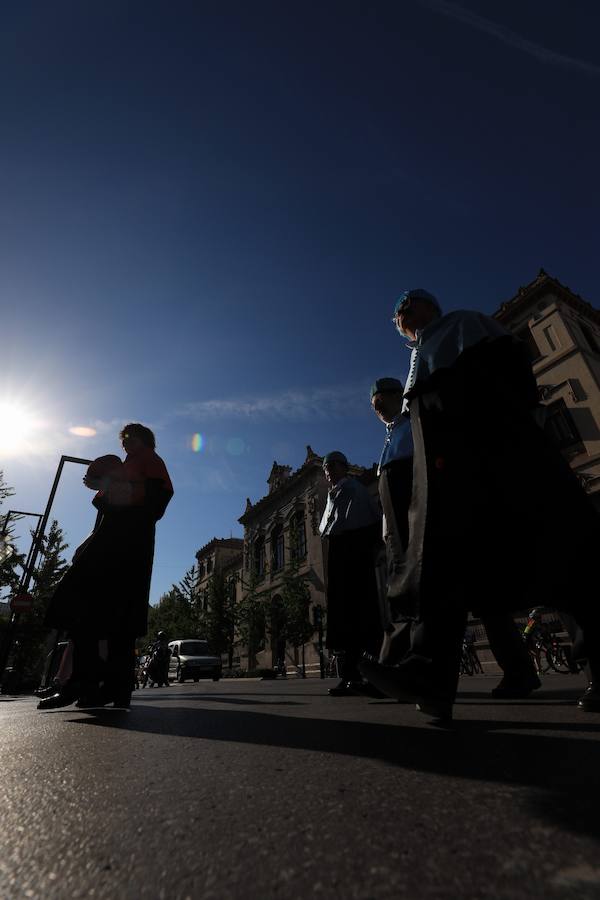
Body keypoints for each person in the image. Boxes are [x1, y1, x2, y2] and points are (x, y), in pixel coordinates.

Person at [361, 289, 600, 717]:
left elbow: (512, 379)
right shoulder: (419, 355)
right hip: (450, 470)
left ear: (431, 306)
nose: (400, 312)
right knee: (441, 564)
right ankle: (429, 675)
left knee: (561, 551)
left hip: (493, 450)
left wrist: (502, 441)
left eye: (407, 303)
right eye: (396, 311)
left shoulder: (462, 323)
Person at [370, 376, 540, 700]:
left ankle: (517, 669)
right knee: (419, 594)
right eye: (375, 408)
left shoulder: (416, 426)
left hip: (431, 514)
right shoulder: (391, 438)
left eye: (382, 402)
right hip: (401, 526)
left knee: (475, 592)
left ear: (397, 396)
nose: (378, 410)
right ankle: (399, 668)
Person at [40, 424, 174, 710]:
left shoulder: (149, 460)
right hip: (119, 542)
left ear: (144, 439)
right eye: (123, 439)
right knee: (112, 616)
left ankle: (87, 683)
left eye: (130, 437)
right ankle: (108, 687)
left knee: (85, 605)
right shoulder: (129, 464)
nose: (125, 442)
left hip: (124, 545)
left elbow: (156, 499)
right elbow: (117, 505)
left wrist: (109, 487)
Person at [319, 451, 383, 696]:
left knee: (363, 615)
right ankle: (349, 676)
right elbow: (330, 528)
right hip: (339, 559)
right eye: (325, 467)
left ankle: (375, 676)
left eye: (333, 465)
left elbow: (367, 525)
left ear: (344, 467)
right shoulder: (331, 495)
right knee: (342, 619)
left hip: (356, 559)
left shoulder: (354, 490)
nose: (328, 470)